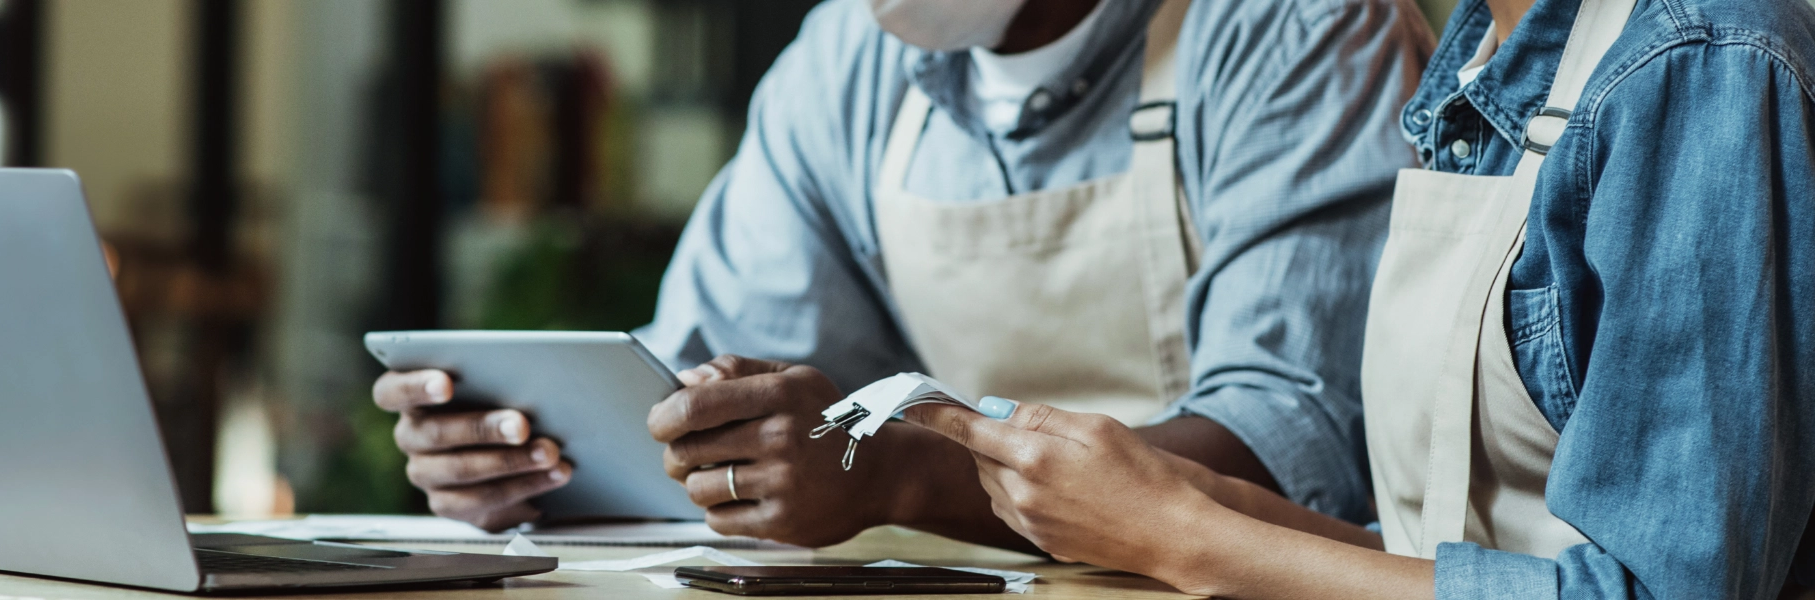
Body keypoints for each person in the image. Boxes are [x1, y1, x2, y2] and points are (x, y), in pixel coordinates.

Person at [373, 0, 1434, 542]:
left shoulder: (1293, 29)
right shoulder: (848, 60)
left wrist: (905, 471)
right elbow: (703, 390)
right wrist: (543, 457)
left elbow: (1298, 451)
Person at [899, 0, 1815, 595]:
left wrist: (1179, 535)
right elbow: (1454, 546)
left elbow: (1671, 590)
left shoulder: (1704, 58)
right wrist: (1188, 496)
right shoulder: (1483, 51)